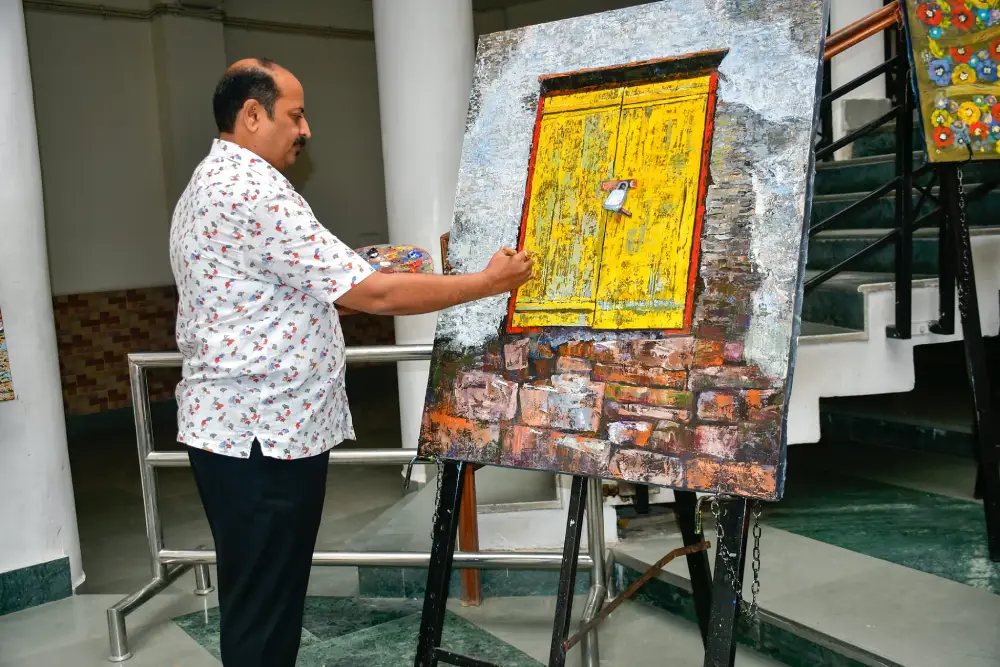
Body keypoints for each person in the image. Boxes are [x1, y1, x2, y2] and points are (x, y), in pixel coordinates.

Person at [168, 57, 533, 667]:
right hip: (262, 438)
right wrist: (487, 283)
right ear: (252, 115)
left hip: (237, 432)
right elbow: (375, 295)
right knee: (264, 606)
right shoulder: (253, 190)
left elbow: (282, 284)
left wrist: (356, 275)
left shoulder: (209, 182)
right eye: (295, 115)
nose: (305, 129)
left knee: (258, 597)